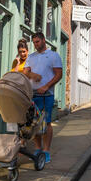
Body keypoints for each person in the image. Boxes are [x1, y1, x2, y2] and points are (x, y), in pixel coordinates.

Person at [23, 32, 62, 164]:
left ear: (44, 40)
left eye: (38, 42)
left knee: (46, 123)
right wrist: (32, 74)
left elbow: (59, 74)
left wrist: (46, 86)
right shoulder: (31, 57)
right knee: (34, 123)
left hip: (47, 95)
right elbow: (25, 72)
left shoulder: (53, 56)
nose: (36, 44)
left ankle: (46, 151)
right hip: (33, 94)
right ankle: (38, 148)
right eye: (34, 42)